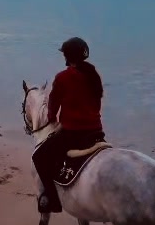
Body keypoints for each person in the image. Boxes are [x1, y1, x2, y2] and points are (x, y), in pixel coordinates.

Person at [32, 36, 105, 213]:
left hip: (74, 133)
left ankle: (53, 200)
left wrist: (52, 119)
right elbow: (97, 103)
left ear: (68, 56)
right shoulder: (93, 75)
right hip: (96, 131)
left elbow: (53, 103)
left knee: (39, 157)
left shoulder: (63, 77)